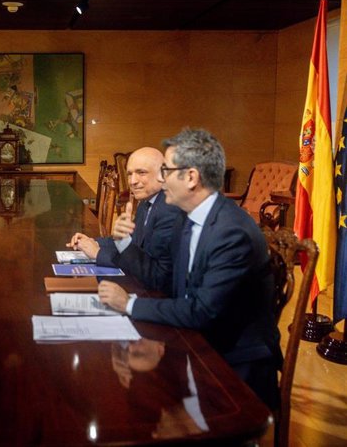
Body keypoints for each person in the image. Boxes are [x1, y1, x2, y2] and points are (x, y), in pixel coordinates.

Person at [97, 128, 282, 409]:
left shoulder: (230, 232)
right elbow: (171, 284)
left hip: (232, 359)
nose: (161, 179)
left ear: (192, 177)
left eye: (167, 171)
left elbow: (202, 311)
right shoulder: (189, 217)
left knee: (138, 401)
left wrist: (129, 304)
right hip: (197, 336)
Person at [67, 147, 181, 289]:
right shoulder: (147, 202)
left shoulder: (169, 209)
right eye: (129, 174)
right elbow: (130, 240)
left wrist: (98, 253)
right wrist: (93, 241)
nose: (132, 181)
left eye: (141, 173)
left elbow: (158, 275)